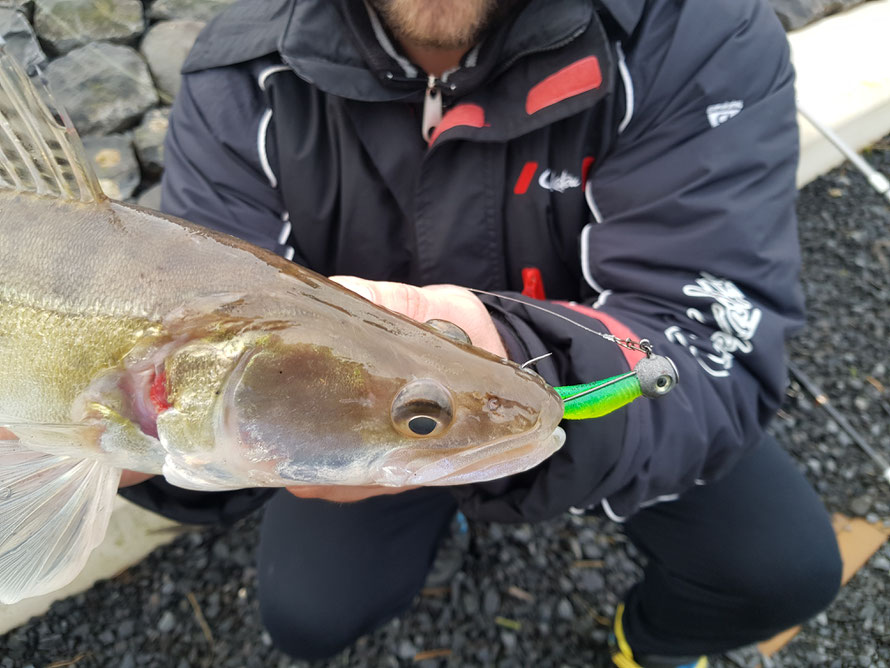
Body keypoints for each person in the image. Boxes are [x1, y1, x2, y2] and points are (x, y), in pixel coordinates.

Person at [119, 0, 843, 665]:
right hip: (374, 420)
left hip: (598, 392)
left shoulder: (700, 34)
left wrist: (516, 352)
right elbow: (192, 370)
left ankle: (647, 643)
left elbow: (709, 336)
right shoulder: (239, 74)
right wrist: (125, 455)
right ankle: (451, 482)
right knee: (308, 616)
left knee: (779, 572)